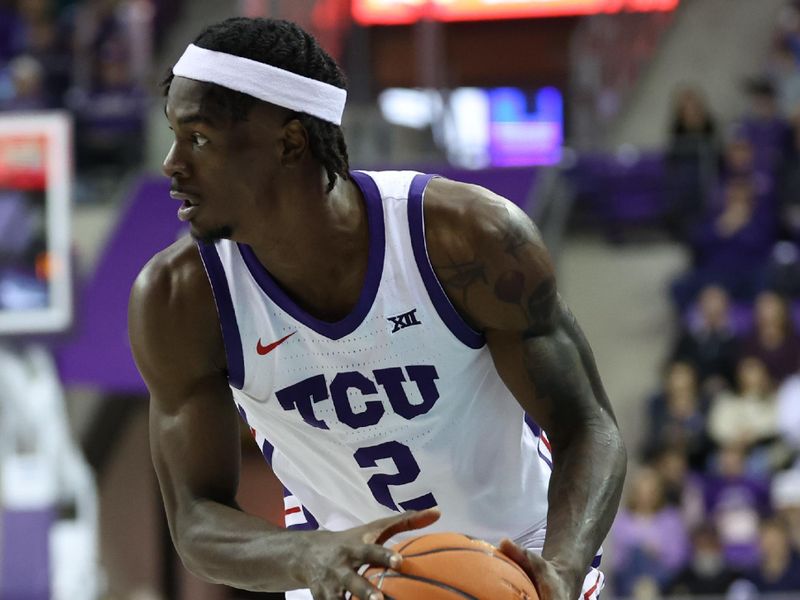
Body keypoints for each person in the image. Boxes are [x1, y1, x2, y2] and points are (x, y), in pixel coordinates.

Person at [126, 17, 627, 600]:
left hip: (522, 553)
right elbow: (194, 519)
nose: (171, 162)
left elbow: (589, 429)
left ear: (289, 142)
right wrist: (303, 555)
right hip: (343, 569)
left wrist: (562, 566)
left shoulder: (465, 238)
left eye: (199, 138)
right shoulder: (179, 297)